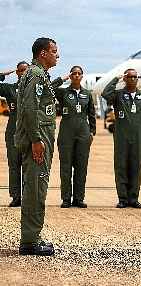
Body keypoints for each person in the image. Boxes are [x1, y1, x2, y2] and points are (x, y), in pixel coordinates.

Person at [15, 37, 59, 256]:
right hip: (38, 139)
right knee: (35, 188)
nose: (57, 54)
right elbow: (30, 109)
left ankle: (33, 236)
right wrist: (35, 140)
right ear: (43, 53)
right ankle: (30, 242)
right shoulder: (36, 75)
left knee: (36, 186)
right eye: (54, 51)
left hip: (40, 137)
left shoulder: (37, 74)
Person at [101, 68, 141, 209]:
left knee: (136, 167)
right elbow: (105, 93)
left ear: (137, 79)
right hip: (121, 137)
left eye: (134, 77)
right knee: (121, 166)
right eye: (129, 77)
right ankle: (123, 198)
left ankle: (133, 198)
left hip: (138, 138)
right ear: (125, 79)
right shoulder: (118, 95)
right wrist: (116, 79)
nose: (132, 79)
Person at [52, 66, 96, 208]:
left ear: (82, 76)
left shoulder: (87, 94)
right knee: (65, 167)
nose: (76, 76)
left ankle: (79, 198)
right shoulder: (63, 92)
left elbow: (92, 114)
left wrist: (92, 132)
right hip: (66, 133)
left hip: (83, 134)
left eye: (79, 73)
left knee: (81, 167)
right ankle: (66, 199)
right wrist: (62, 78)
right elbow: (49, 88)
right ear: (71, 76)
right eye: (74, 74)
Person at [0, 61, 29, 207]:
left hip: (29, 132)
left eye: (26, 70)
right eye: (21, 70)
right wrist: (1, 75)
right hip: (13, 131)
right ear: (17, 73)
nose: (23, 72)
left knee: (28, 166)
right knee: (14, 165)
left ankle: (28, 197)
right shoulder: (10, 89)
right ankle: (16, 196)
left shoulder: (35, 90)